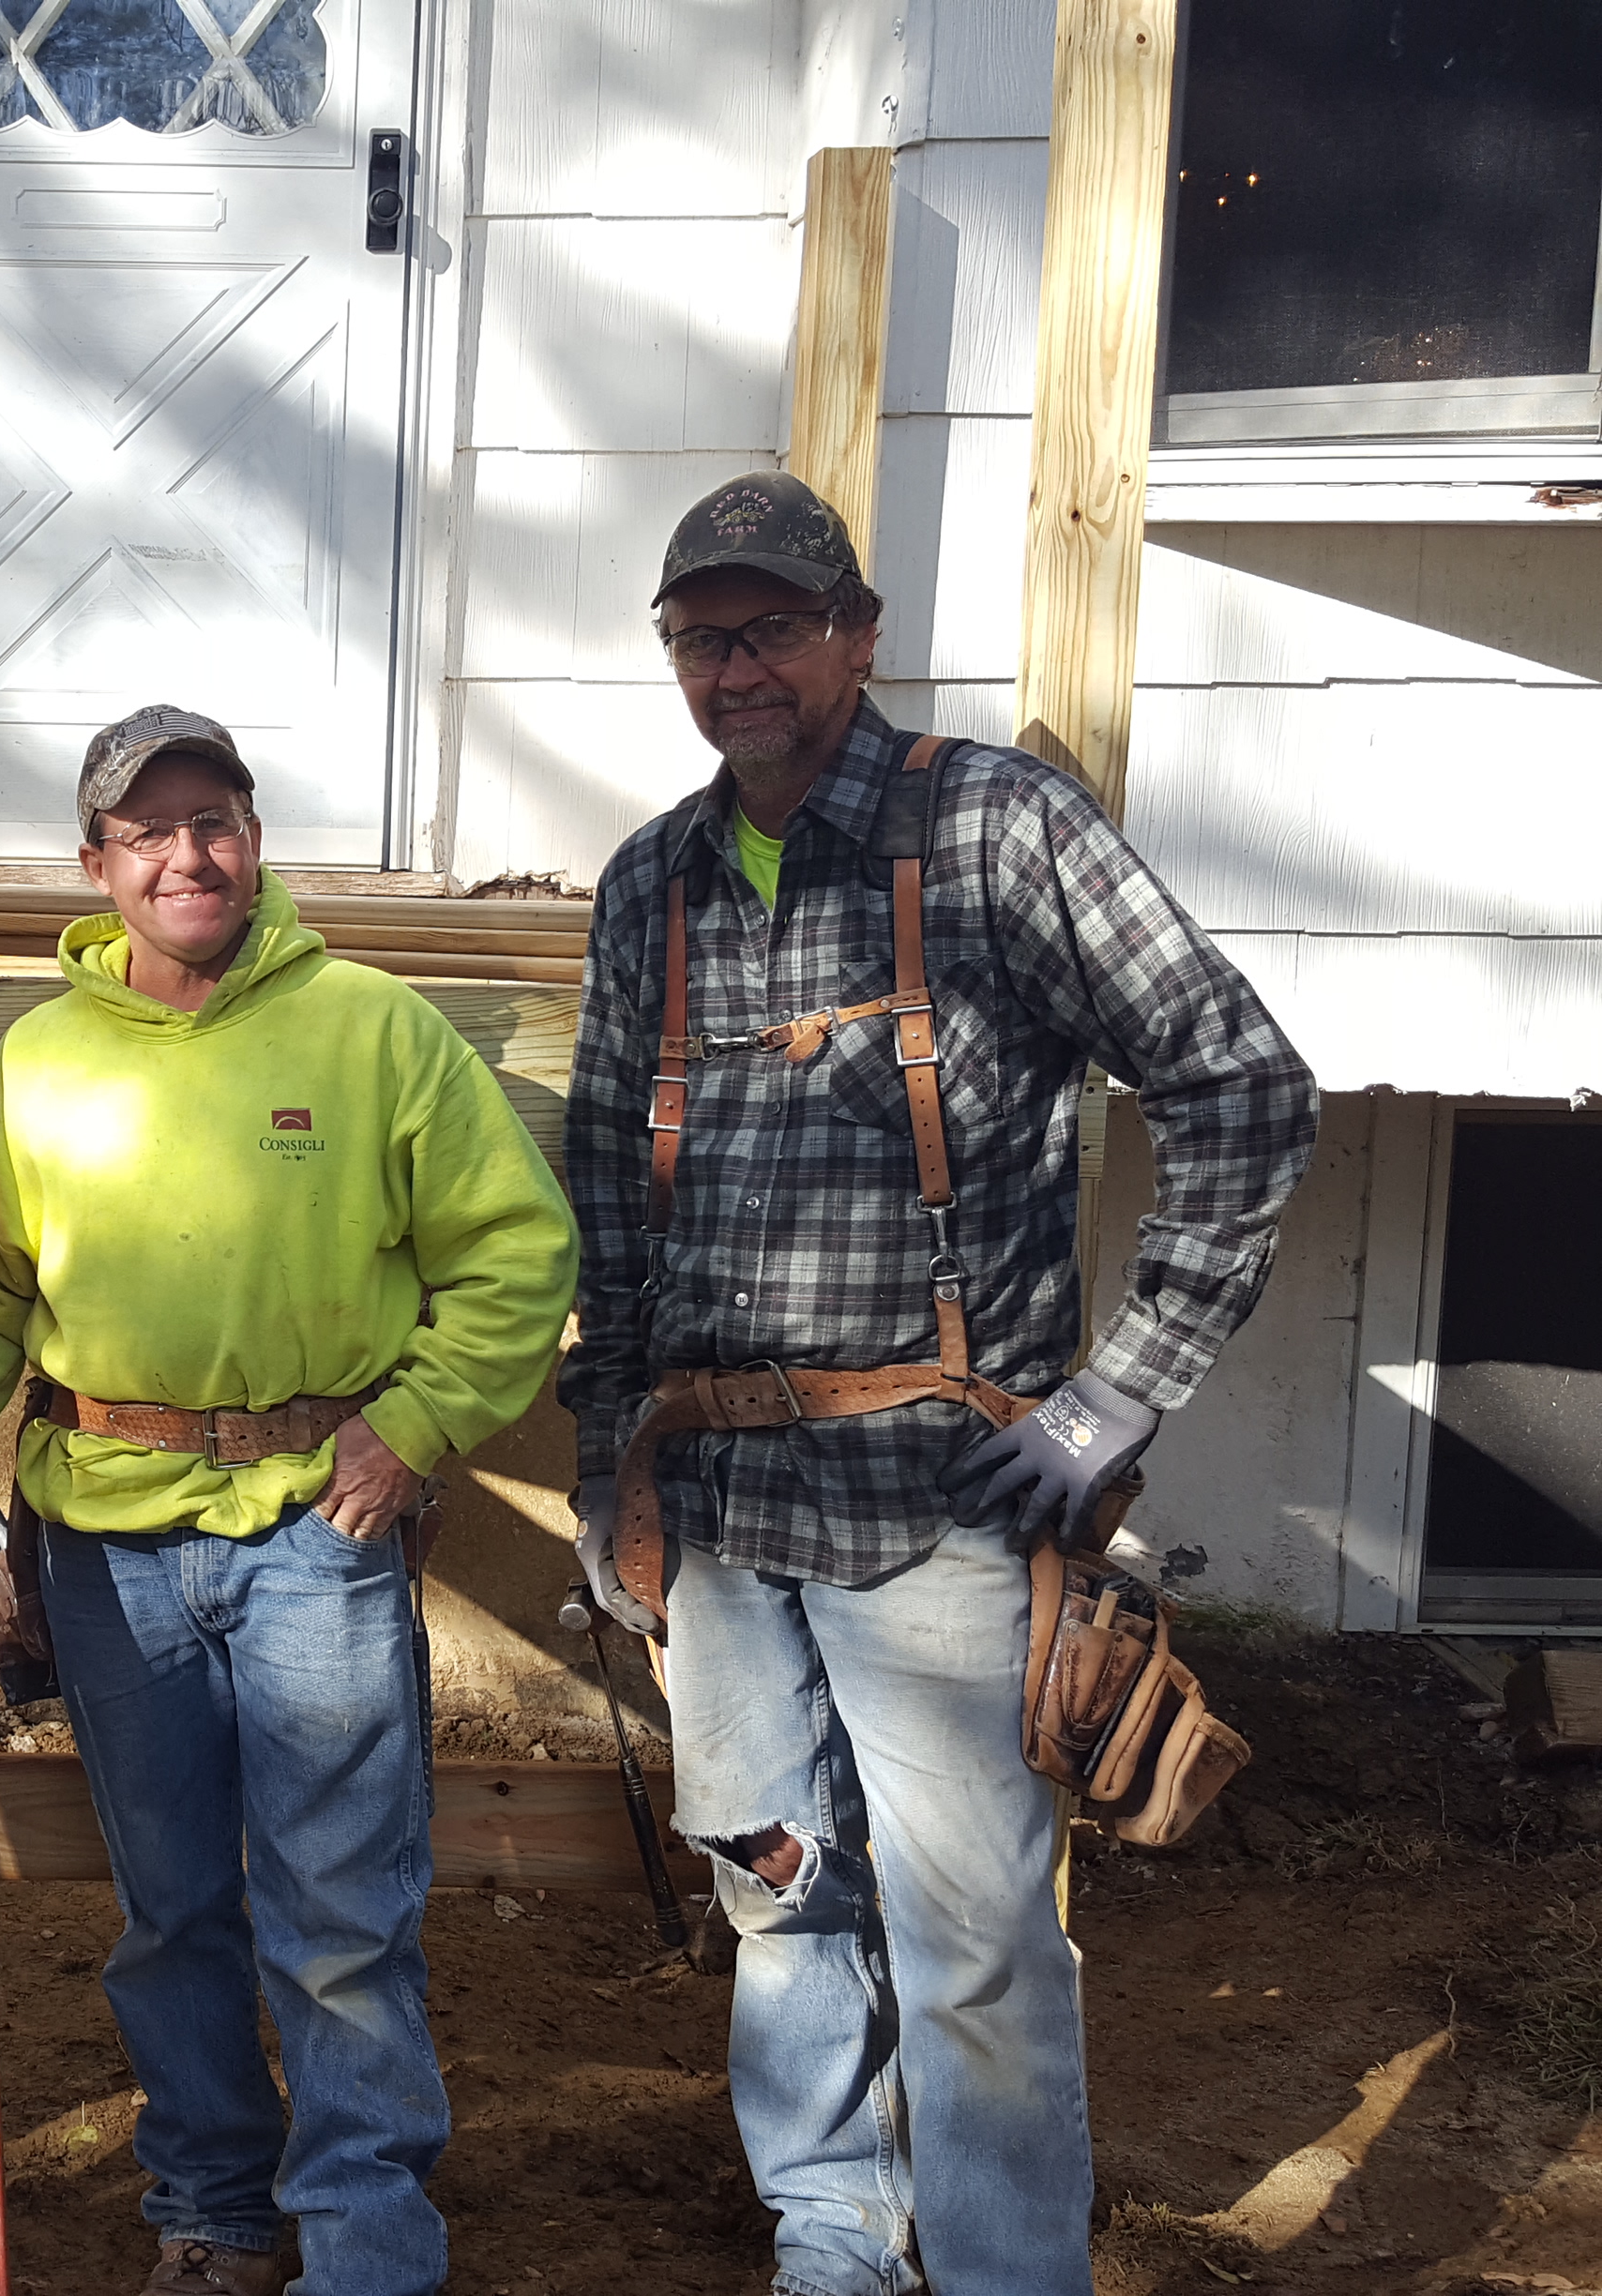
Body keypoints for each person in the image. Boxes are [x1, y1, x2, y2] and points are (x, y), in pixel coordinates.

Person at [560, 473, 1318, 2296]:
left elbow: (1238, 1082)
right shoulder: (652, 879)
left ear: (858, 636)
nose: (735, 668)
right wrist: (610, 1475)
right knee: (778, 1892)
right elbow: (604, 1181)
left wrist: (1120, 1393)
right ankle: (835, 2244)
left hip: (942, 1525)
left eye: (771, 629)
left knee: (977, 1951)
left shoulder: (993, 830)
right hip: (725, 1521)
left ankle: (993, 2275)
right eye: (699, 636)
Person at [0, 706, 578, 2296]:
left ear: (255, 840)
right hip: (106, 1541)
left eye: (217, 818)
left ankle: (366, 2241)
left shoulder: (372, 1030)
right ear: (97, 863)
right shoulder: (40, 1057)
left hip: (320, 1525)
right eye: (149, 828)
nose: (189, 853)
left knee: (340, 1914)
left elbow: (518, 1252)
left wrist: (419, 1425)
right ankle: (215, 2214)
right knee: (172, 1910)